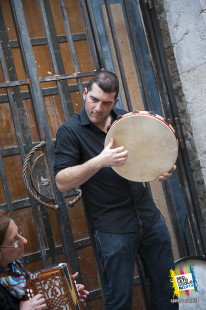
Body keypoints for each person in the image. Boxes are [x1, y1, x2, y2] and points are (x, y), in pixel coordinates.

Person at [54, 70, 178, 310]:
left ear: (116, 102)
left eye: (106, 103)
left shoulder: (128, 119)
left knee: (171, 287)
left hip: (149, 218)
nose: (99, 108)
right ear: (85, 94)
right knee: (119, 299)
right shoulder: (69, 132)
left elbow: (153, 154)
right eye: (94, 100)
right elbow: (61, 182)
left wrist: (163, 169)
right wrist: (101, 160)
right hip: (113, 228)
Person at [0, 210, 89, 310]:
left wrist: (65, 291)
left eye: (18, 233)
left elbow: (34, 295)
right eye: (14, 241)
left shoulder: (13, 265)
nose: (24, 241)